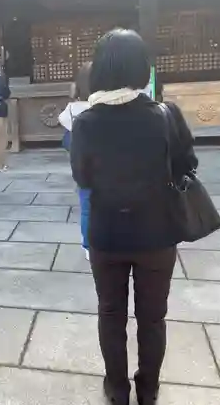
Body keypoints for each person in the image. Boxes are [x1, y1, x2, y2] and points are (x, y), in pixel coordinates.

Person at [70, 29, 198, 405]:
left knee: (110, 313)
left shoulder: (86, 122)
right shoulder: (165, 115)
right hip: (157, 235)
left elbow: (82, 177)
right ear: (143, 67)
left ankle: (117, 388)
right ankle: (148, 387)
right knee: (153, 317)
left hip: (107, 234)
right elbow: (187, 164)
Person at [58, 62, 91, 260]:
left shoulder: (73, 108)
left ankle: (87, 245)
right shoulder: (104, 105)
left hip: (81, 163)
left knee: (86, 204)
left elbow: (62, 120)